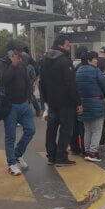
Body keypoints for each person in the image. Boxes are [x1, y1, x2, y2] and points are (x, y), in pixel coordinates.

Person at [0, 41, 37, 175]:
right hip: (10, 105)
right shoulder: (1, 63)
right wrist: (13, 65)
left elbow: (27, 80)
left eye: (21, 51)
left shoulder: (22, 63)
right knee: (10, 136)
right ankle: (12, 163)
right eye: (18, 51)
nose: (21, 53)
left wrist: (29, 99)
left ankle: (18, 154)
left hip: (24, 104)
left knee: (31, 130)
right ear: (11, 52)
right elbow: (3, 80)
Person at [39, 34, 81, 166]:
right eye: (68, 45)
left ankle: (51, 155)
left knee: (51, 128)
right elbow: (70, 84)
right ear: (61, 45)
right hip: (66, 103)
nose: (69, 48)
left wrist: (44, 100)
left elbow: (42, 82)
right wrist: (78, 102)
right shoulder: (64, 61)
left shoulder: (45, 60)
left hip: (51, 102)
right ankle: (61, 156)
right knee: (65, 129)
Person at [75, 50, 105, 162]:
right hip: (96, 103)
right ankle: (93, 153)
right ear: (90, 60)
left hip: (83, 103)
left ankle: (87, 151)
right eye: (95, 58)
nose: (97, 60)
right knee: (97, 129)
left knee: (87, 129)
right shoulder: (95, 71)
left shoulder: (78, 71)